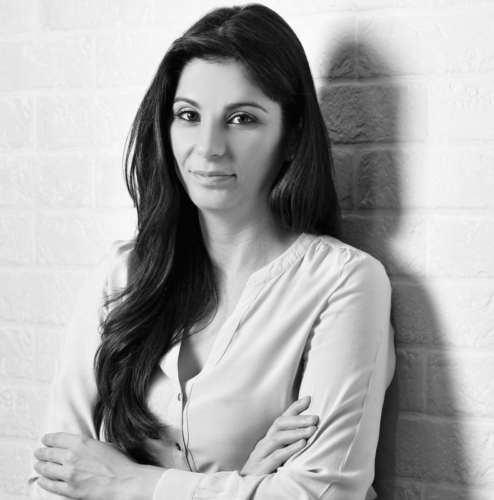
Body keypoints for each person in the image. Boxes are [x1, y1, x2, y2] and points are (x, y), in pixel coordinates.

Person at [27, 4, 395, 499]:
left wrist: (128, 482)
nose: (208, 147)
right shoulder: (121, 274)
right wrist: (245, 483)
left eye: (242, 119)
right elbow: (52, 481)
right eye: (188, 115)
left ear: (292, 137)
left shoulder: (343, 283)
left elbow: (321, 494)